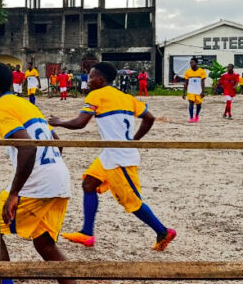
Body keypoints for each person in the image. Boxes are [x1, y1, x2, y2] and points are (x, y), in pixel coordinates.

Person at [0, 62, 90, 284]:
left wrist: (16, 192)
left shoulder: (1, 109)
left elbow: (27, 148)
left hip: (38, 182)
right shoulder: (26, 105)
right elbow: (55, 142)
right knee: (44, 243)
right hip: (58, 179)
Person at [49, 62, 176, 252]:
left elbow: (80, 123)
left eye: (90, 77)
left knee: (132, 202)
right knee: (89, 183)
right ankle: (87, 233)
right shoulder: (126, 97)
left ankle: (163, 231)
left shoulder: (96, 95)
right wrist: (134, 139)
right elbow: (149, 117)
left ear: (100, 79)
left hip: (120, 158)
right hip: (111, 153)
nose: (88, 81)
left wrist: (59, 122)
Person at [183, 58, 207, 123]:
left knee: (198, 104)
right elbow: (186, 83)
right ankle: (191, 117)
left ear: (196, 63)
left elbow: (203, 82)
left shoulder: (202, 71)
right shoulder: (187, 72)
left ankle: (196, 115)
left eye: (192, 62)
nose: (191, 64)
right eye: (190, 63)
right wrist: (184, 92)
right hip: (190, 91)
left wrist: (203, 91)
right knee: (191, 103)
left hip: (198, 91)